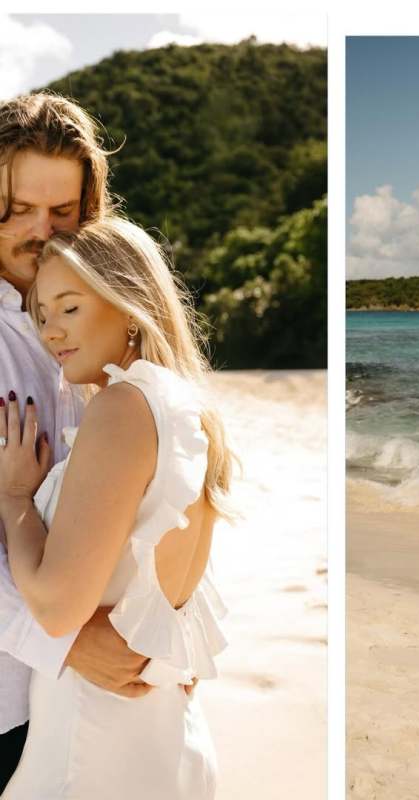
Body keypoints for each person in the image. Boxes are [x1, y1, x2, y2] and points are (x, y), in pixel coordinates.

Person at [0, 216, 232, 798]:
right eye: (42, 315)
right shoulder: (187, 408)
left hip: (91, 742)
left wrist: (14, 497)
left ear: (129, 305)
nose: (52, 332)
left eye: (70, 307)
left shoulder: (120, 409)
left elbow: (57, 610)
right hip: (168, 738)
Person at [0, 92, 155, 792]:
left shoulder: (109, 321)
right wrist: (64, 639)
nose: (41, 232)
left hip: (83, 703)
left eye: (62, 211)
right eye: (17, 209)